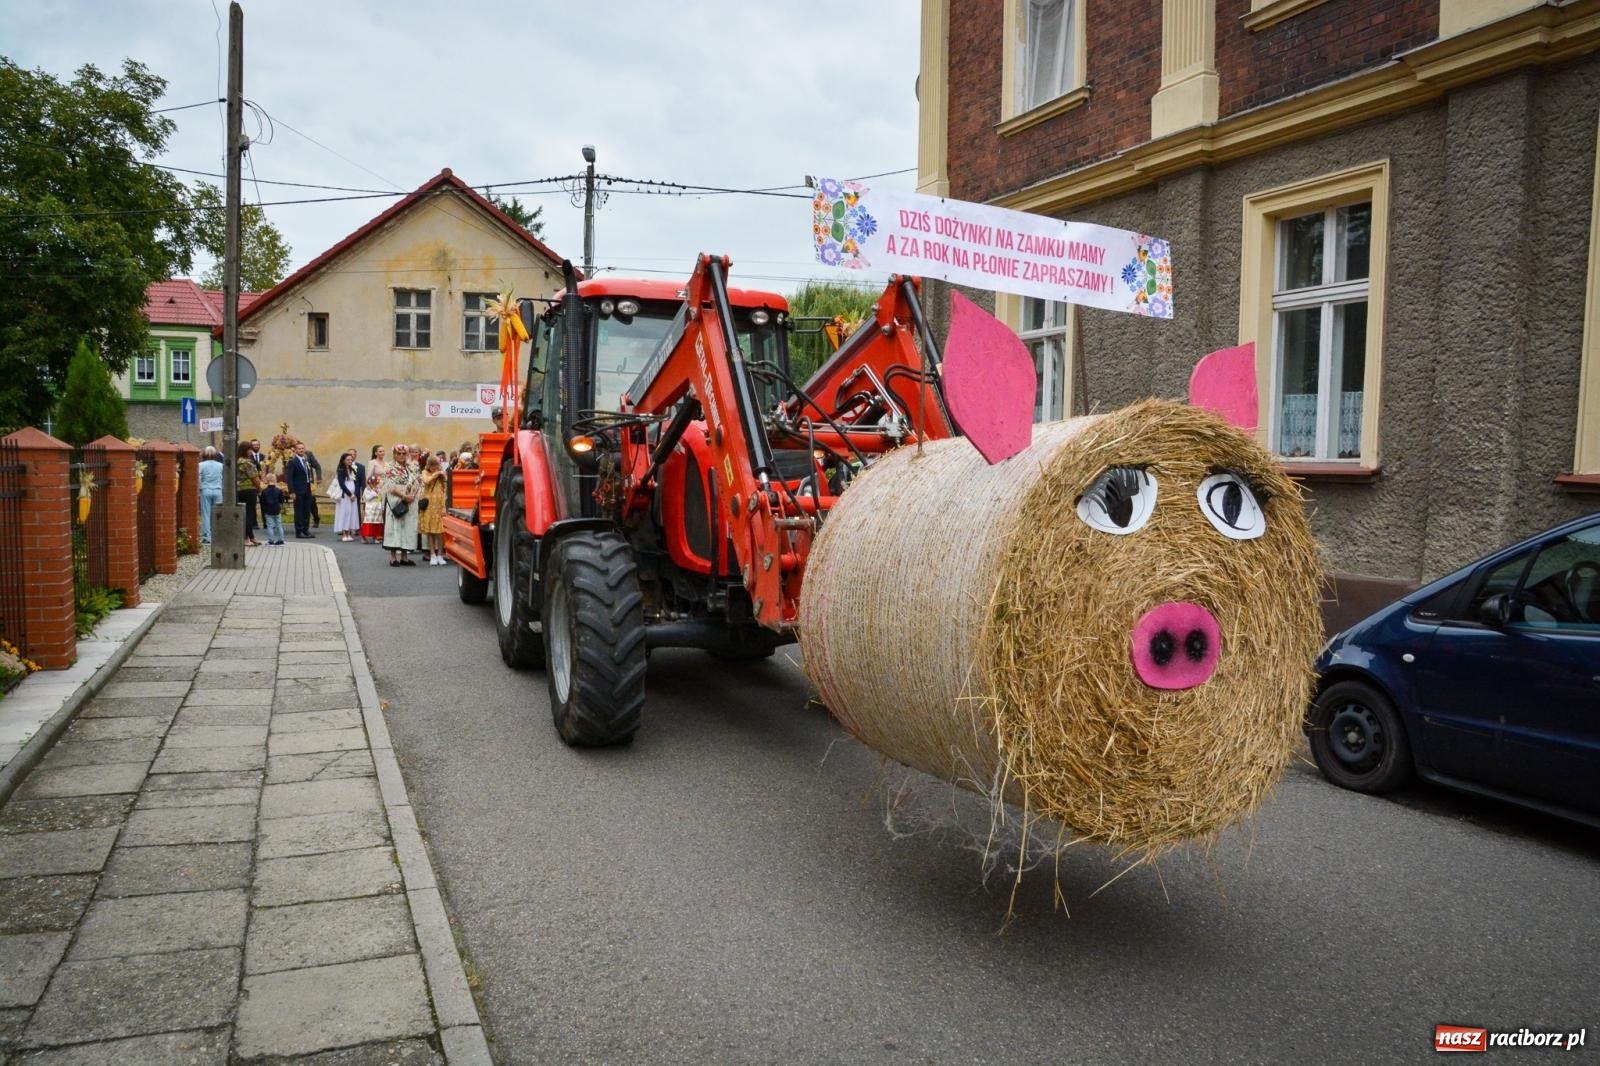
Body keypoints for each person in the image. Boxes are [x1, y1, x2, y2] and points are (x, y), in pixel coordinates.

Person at [382, 443, 420, 566]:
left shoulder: (412, 466)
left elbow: (418, 482)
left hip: (410, 500)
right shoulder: (389, 467)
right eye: (399, 453)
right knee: (395, 527)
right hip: (396, 501)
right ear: (394, 454)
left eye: (404, 453)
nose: (402, 456)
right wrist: (403, 496)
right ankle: (393, 557)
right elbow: (390, 486)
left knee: (408, 528)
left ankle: (404, 556)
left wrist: (412, 495)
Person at [419, 454, 447, 564]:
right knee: (430, 532)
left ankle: (440, 555)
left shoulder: (441, 474)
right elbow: (426, 481)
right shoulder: (424, 472)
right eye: (433, 466)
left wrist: (444, 506)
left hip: (439, 505)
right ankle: (432, 554)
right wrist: (436, 473)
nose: (435, 468)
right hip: (429, 506)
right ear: (429, 466)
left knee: (440, 532)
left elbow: (445, 488)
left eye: (437, 466)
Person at [286, 441, 316, 539]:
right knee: (299, 511)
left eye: (303, 448)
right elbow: (289, 478)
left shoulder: (305, 460)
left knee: (307, 510)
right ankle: (299, 531)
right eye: (299, 448)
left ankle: (305, 530)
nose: (301, 450)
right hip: (298, 490)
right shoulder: (292, 462)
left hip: (307, 488)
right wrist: (291, 491)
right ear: (295, 450)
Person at [332, 450, 363, 542]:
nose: (350, 461)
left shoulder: (353, 469)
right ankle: (344, 533)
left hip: (353, 495)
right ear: (343, 461)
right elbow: (342, 484)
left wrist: (356, 493)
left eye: (351, 459)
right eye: (348, 460)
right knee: (345, 513)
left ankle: (349, 532)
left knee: (351, 513)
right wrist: (350, 494)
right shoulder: (341, 470)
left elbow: (356, 482)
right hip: (345, 495)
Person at [361, 444, 388, 544]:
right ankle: (365, 534)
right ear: (375, 453)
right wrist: (371, 488)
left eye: (383, 451)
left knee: (380, 512)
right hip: (375, 488)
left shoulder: (386, 463)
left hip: (384, 489)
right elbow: (368, 476)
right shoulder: (372, 462)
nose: (382, 453)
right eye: (380, 451)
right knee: (371, 512)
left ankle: (378, 535)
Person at [236, 442, 261, 547]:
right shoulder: (247, 463)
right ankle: (246, 539)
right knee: (249, 514)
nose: (251, 452)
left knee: (246, 513)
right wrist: (259, 488)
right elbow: (254, 478)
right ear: (245, 450)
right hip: (249, 490)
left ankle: (252, 537)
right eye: (249, 450)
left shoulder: (237, 461)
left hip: (240, 489)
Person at [198, 445, 223, 544]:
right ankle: (218, 535)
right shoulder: (220, 465)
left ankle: (207, 537)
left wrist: (199, 488)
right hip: (218, 490)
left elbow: (199, 478)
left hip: (206, 489)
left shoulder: (201, 465)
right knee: (217, 514)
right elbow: (223, 478)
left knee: (206, 514)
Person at [259, 472, 286, 546]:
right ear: (275, 480)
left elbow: (262, 501)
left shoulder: (264, 491)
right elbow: (282, 500)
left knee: (270, 526)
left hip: (268, 510)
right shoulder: (279, 490)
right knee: (279, 525)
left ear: (267, 480)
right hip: (277, 509)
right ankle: (281, 540)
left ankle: (271, 541)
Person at [305, 448, 324, 529]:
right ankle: (303, 522)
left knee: (312, 501)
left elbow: (317, 466)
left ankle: (316, 518)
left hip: (310, 483)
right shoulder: (290, 455)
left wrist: (318, 477)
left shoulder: (308, 454)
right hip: (297, 483)